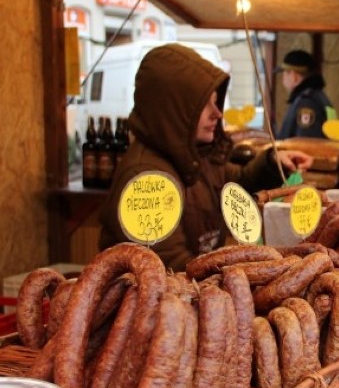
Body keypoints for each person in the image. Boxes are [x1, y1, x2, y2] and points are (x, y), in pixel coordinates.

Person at [99, 43, 313, 271]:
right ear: (176, 109)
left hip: (198, 295)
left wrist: (272, 162)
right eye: (204, 105)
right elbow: (168, 267)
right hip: (156, 303)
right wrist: (235, 275)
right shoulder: (144, 177)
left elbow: (237, 183)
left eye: (215, 101)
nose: (217, 113)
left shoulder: (195, 157)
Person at [275, 49, 334, 140]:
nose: (283, 79)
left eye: (285, 73)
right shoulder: (319, 97)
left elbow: (305, 143)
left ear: (294, 77)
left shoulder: (306, 103)